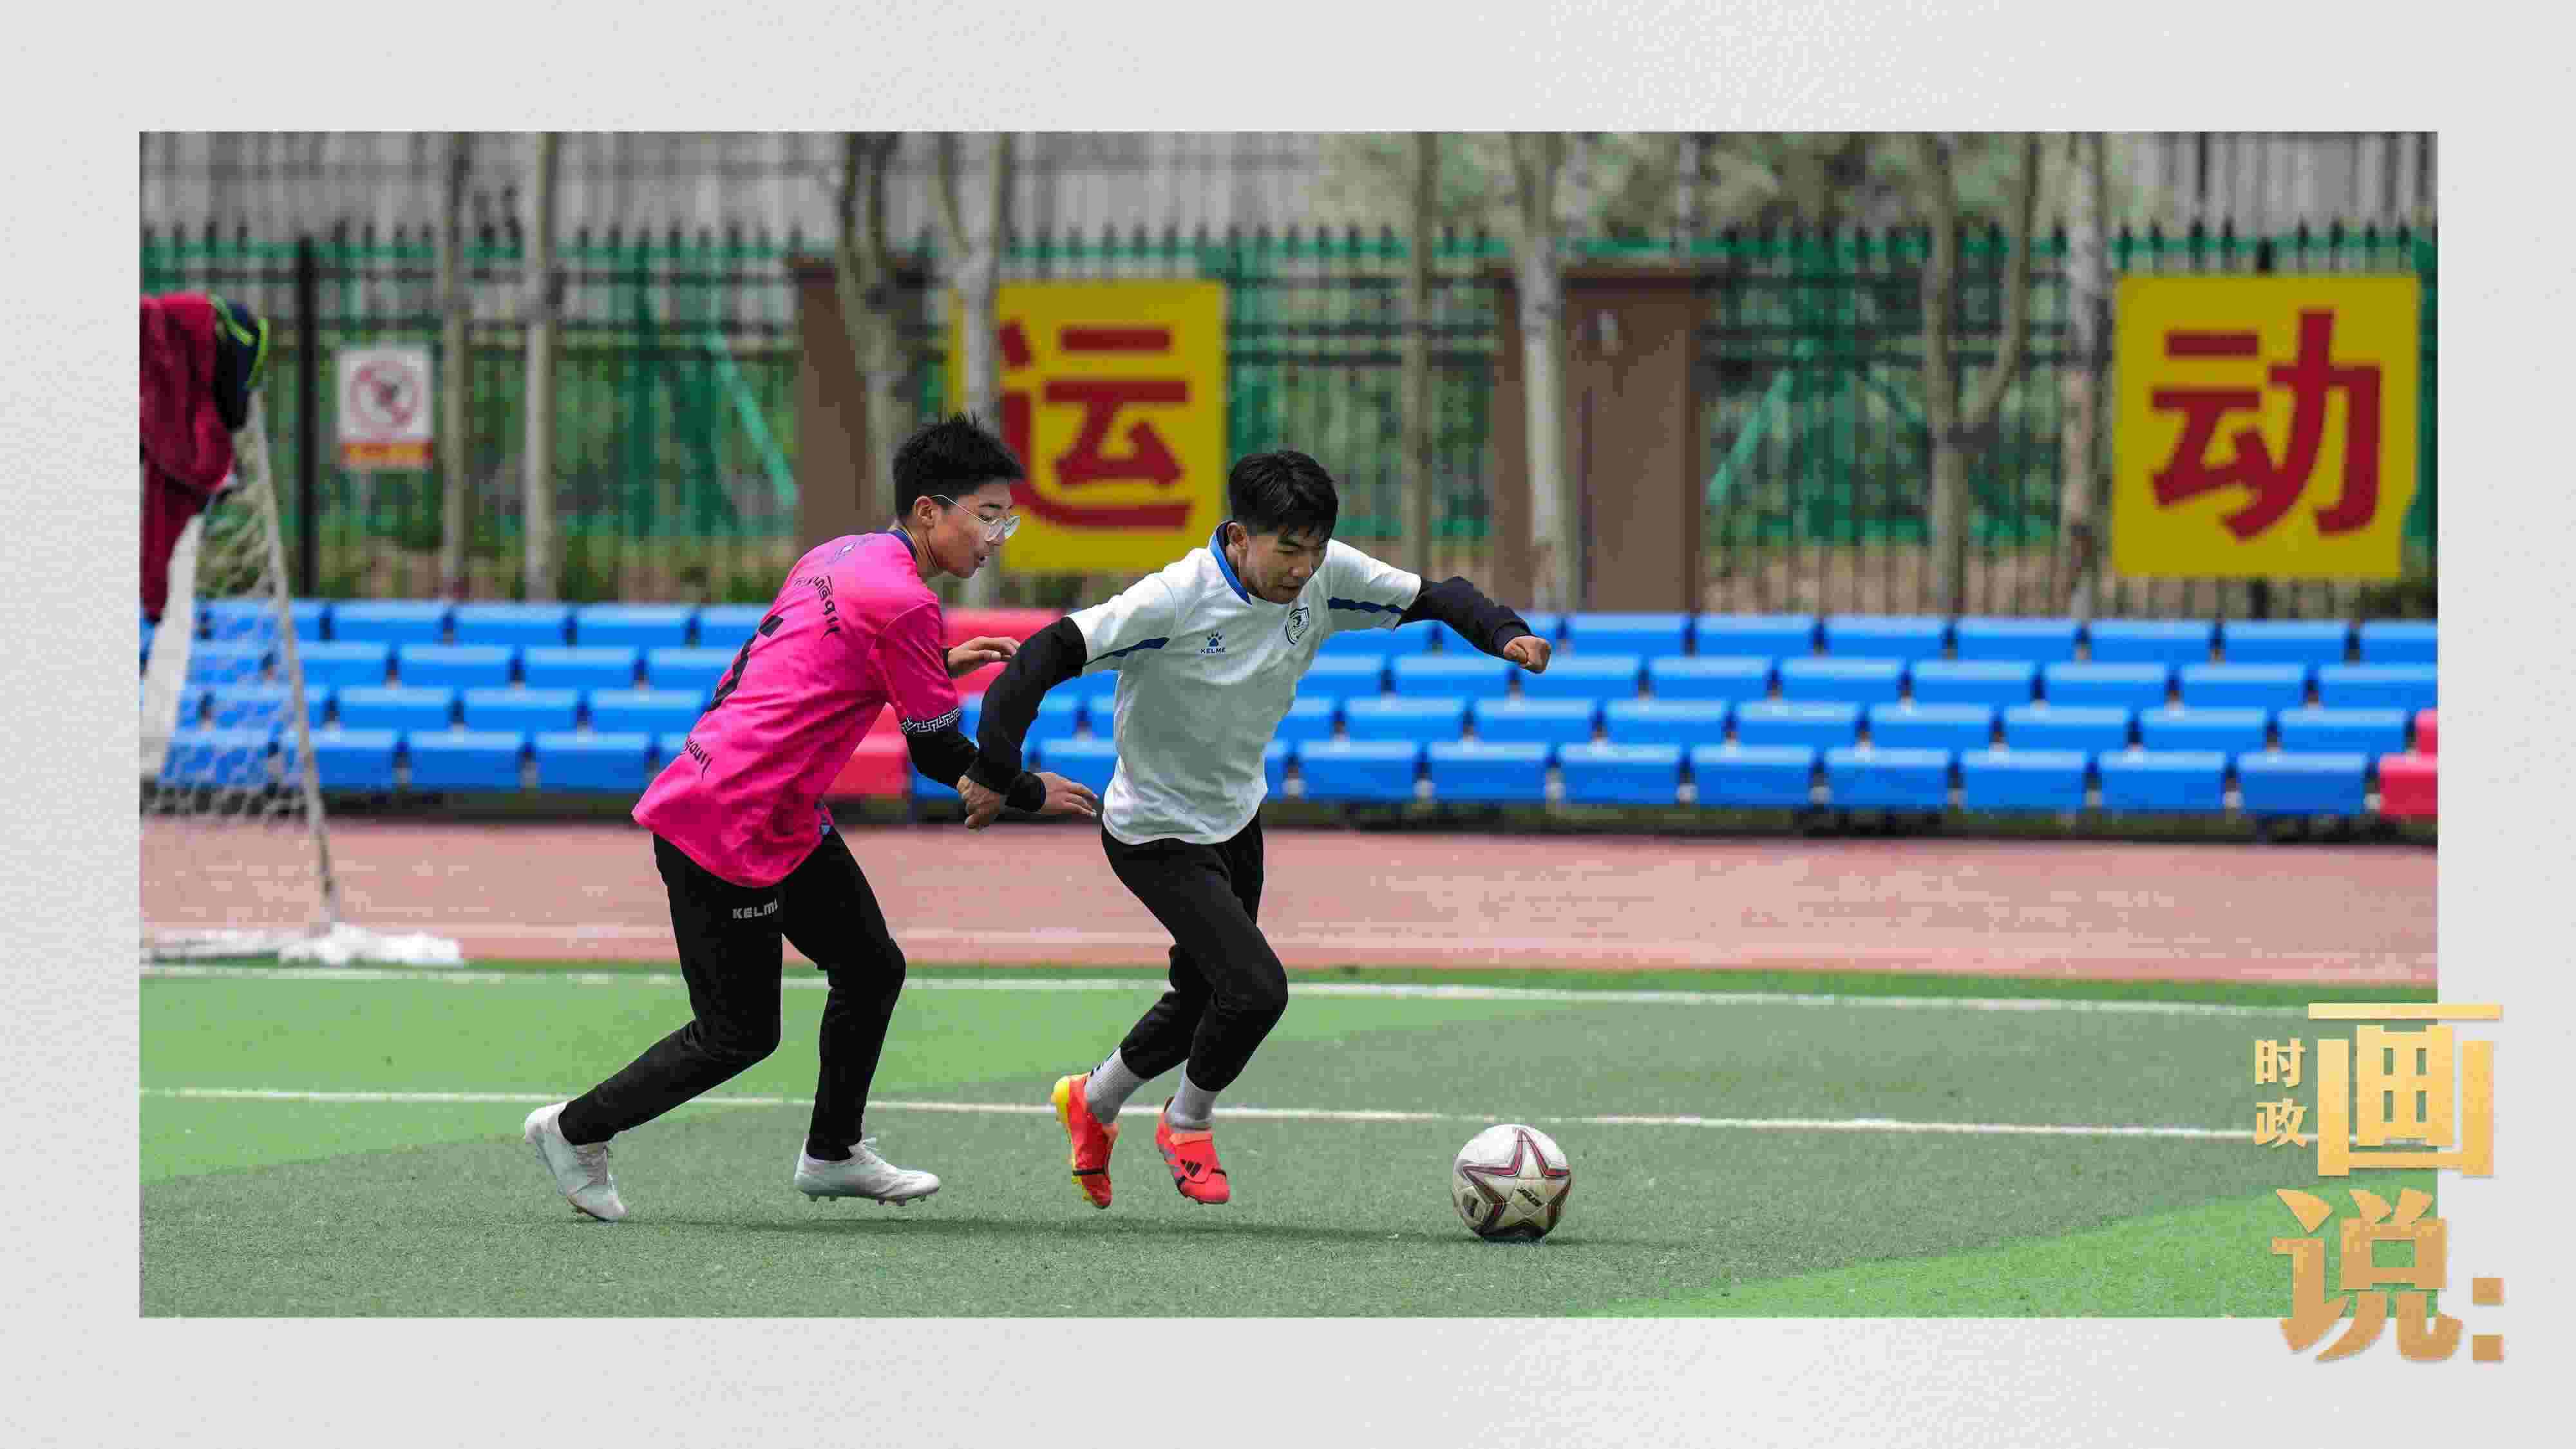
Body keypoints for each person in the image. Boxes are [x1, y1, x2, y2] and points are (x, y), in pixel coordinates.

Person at [524, 415, 1101, 1222]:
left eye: (1007, 519)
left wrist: (935, 665)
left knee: (870, 967)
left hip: (776, 809)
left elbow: (818, 662)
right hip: (726, 820)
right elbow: (940, 755)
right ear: (929, 511)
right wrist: (1029, 791)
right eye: (987, 516)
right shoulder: (904, 601)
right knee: (737, 1034)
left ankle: (833, 1152)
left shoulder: (842, 555)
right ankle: (573, 1130)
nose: (997, 538)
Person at [956, 450, 1550, 1209]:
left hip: (1236, 818)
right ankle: (1187, 1122)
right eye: (1287, 549)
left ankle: (1091, 1100)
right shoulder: (1173, 600)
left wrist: (1503, 632)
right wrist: (996, 769)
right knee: (1256, 991)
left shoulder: (1325, 574)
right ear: (1238, 538)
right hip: (1154, 832)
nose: (1303, 569)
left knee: (1203, 996)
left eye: (1315, 550)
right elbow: (1041, 657)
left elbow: (1438, 596)